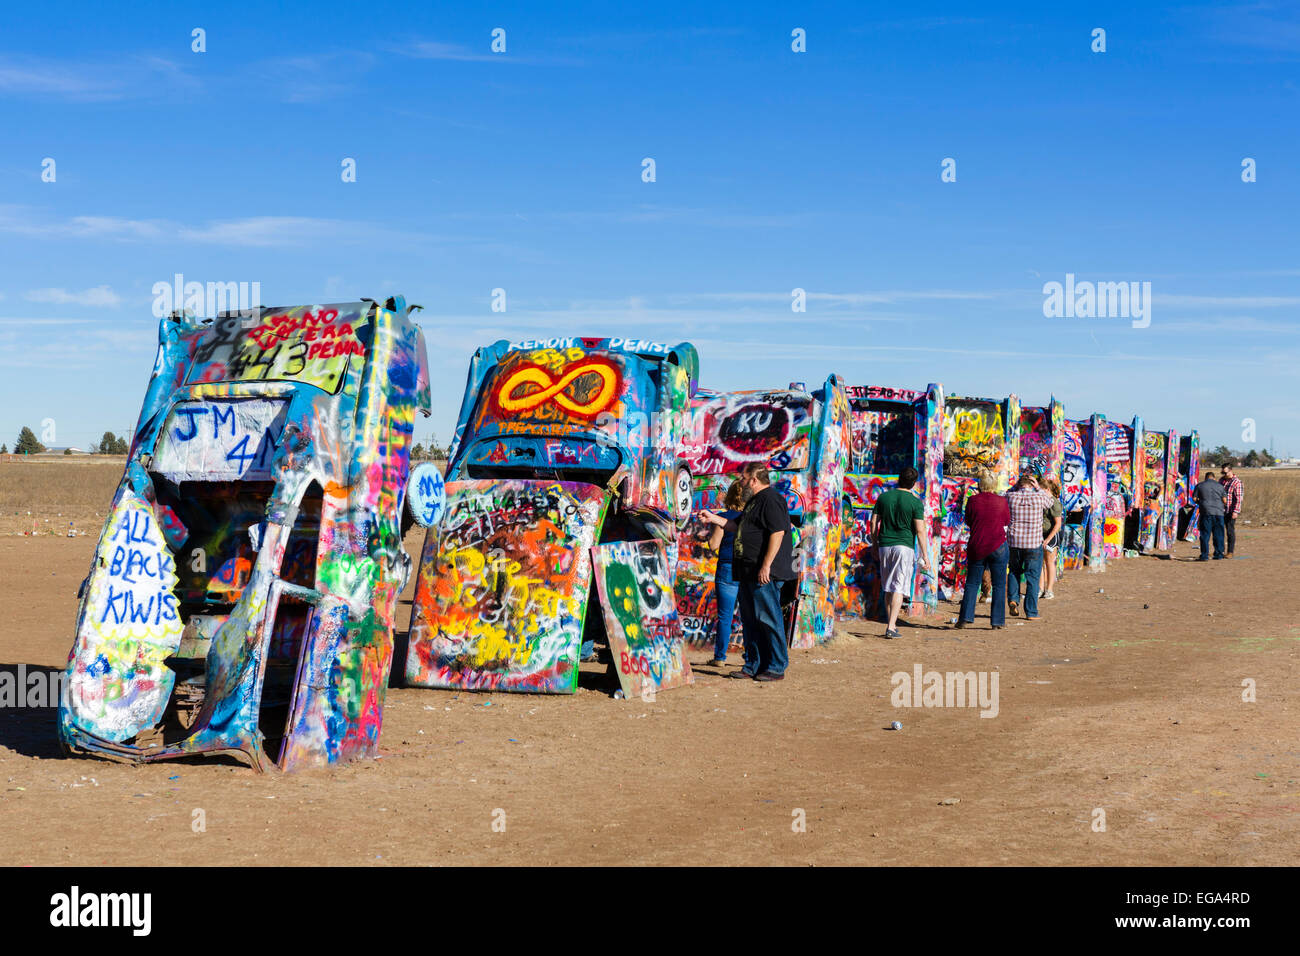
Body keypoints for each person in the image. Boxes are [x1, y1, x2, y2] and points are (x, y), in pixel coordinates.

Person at [700, 462, 796, 681]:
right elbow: (736, 526)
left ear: (754, 479)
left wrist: (766, 565)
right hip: (746, 571)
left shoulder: (771, 499)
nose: (741, 482)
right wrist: (713, 518)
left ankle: (776, 666)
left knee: (768, 618)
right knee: (751, 620)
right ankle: (753, 664)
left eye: (743, 478)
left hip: (763, 572)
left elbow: (778, 533)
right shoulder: (754, 502)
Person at [870, 466, 934, 639]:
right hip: (904, 547)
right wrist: (925, 556)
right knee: (898, 586)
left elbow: (873, 521)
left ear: (899, 479)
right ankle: (891, 626)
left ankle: (891, 624)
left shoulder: (884, 497)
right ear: (913, 483)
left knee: (888, 587)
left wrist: (875, 544)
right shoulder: (914, 502)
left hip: (884, 545)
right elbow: (920, 531)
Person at [955, 472, 1010, 630]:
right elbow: (1006, 520)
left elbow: (968, 520)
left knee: (972, 583)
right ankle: (997, 622)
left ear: (980, 485)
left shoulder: (972, 501)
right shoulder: (1002, 501)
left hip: (977, 545)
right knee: (999, 584)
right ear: (994, 485)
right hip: (998, 545)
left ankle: (965, 619)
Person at [704, 480, 746, 667]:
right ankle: (750, 657)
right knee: (749, 615)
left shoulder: (722, 517)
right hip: (746, 569)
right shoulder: (749, 518)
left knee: (725, 616)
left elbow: (713, 545)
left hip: (727, 568)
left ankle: (720, 657)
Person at [1005, 473, 1054, 620]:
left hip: (1014, 542)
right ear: (1032, 485)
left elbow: (1004, 494)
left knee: (1014, 571)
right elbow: (1050, 502)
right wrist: (1038, 488)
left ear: (1019, 485)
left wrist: (1015, 486)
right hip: (1033, 543)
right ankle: (1031, 612)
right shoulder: (1039, 497)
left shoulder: (1011, 497)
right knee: (1032, 577)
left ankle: (1013, 599)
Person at [1192, 469, 1227, 560]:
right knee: (1218, 534)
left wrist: (1201, 502)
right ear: (1214, 478)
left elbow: (1194, 499)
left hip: (1206, 512)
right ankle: (1219, 554)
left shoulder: (1200, 485)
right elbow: (1224, 500)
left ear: (1205, 478)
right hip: (1218, 513)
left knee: (1205, 534)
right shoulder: (1220, 486)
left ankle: (1204, 555)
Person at [1039, 477, 1063, 600]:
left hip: (1051, 534)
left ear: (1047, 490)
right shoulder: (1041, 501)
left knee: (1049, 561)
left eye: (1041, 490)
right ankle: (1040, 588)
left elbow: (1058, 523)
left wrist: (1048, 538)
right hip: (1040, 534)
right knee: (1040, 562)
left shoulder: (1054, 503)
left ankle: (1049, 589)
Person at [1220, 463, 1243, 557]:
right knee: (1219, 531)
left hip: (1230, 510)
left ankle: (1230, 552)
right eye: (1223, 472)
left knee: (1230, 531)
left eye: (1225, 472)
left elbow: (1238, 498)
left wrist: (1235, 511)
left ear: (1231, 470)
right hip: (1220, 509)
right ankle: (1219, 550)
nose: (1224, 475)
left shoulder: (1237, 482)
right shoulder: (1221, 481)